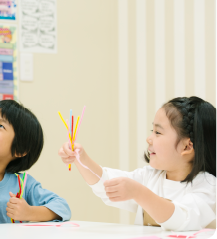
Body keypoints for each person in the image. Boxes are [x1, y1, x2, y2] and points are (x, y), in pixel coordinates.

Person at [58, 96, 217, 231]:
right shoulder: (150, 177)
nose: (149, 138)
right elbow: (105, 183)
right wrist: (81, 158)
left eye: (158, 132)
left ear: (187, 146)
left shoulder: (208, 186)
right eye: (152, 131)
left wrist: (139, 193)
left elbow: (181, 218)